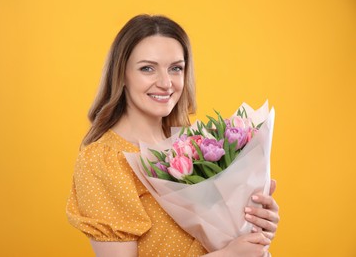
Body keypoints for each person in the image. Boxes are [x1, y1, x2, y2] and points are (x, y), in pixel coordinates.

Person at [66, 14, 280, 257]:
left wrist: (255, 225)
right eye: (148, 68)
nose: (166, 83)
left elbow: (215, 235)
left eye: (176, 68)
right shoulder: (104, 161)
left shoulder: (192, 146)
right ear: (121, 75)